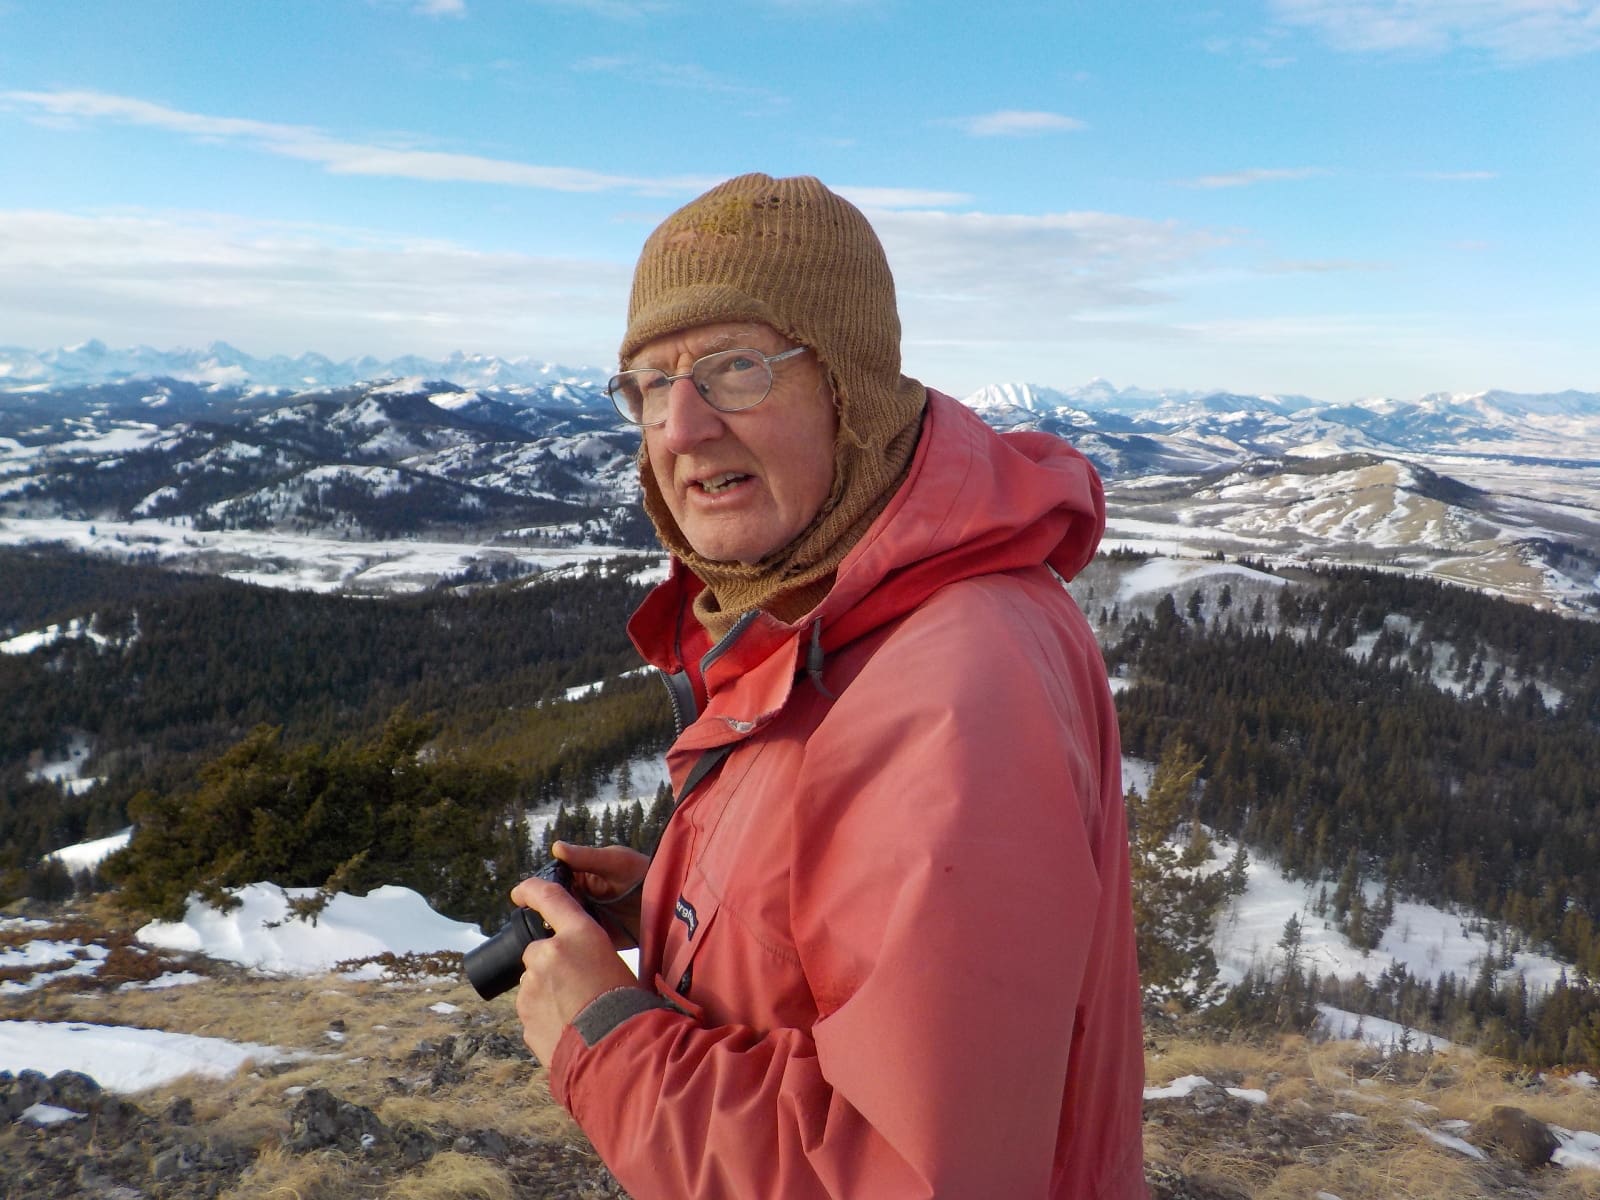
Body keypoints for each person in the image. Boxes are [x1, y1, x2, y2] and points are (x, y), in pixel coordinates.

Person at [510, 173, 1147, 1199]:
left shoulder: (952, 686)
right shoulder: (840, 620)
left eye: (735, 368)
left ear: (850, 388)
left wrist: (603, 1038)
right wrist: (679, 909)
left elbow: (906, 1171)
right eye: (647, 384)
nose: (680, 428)